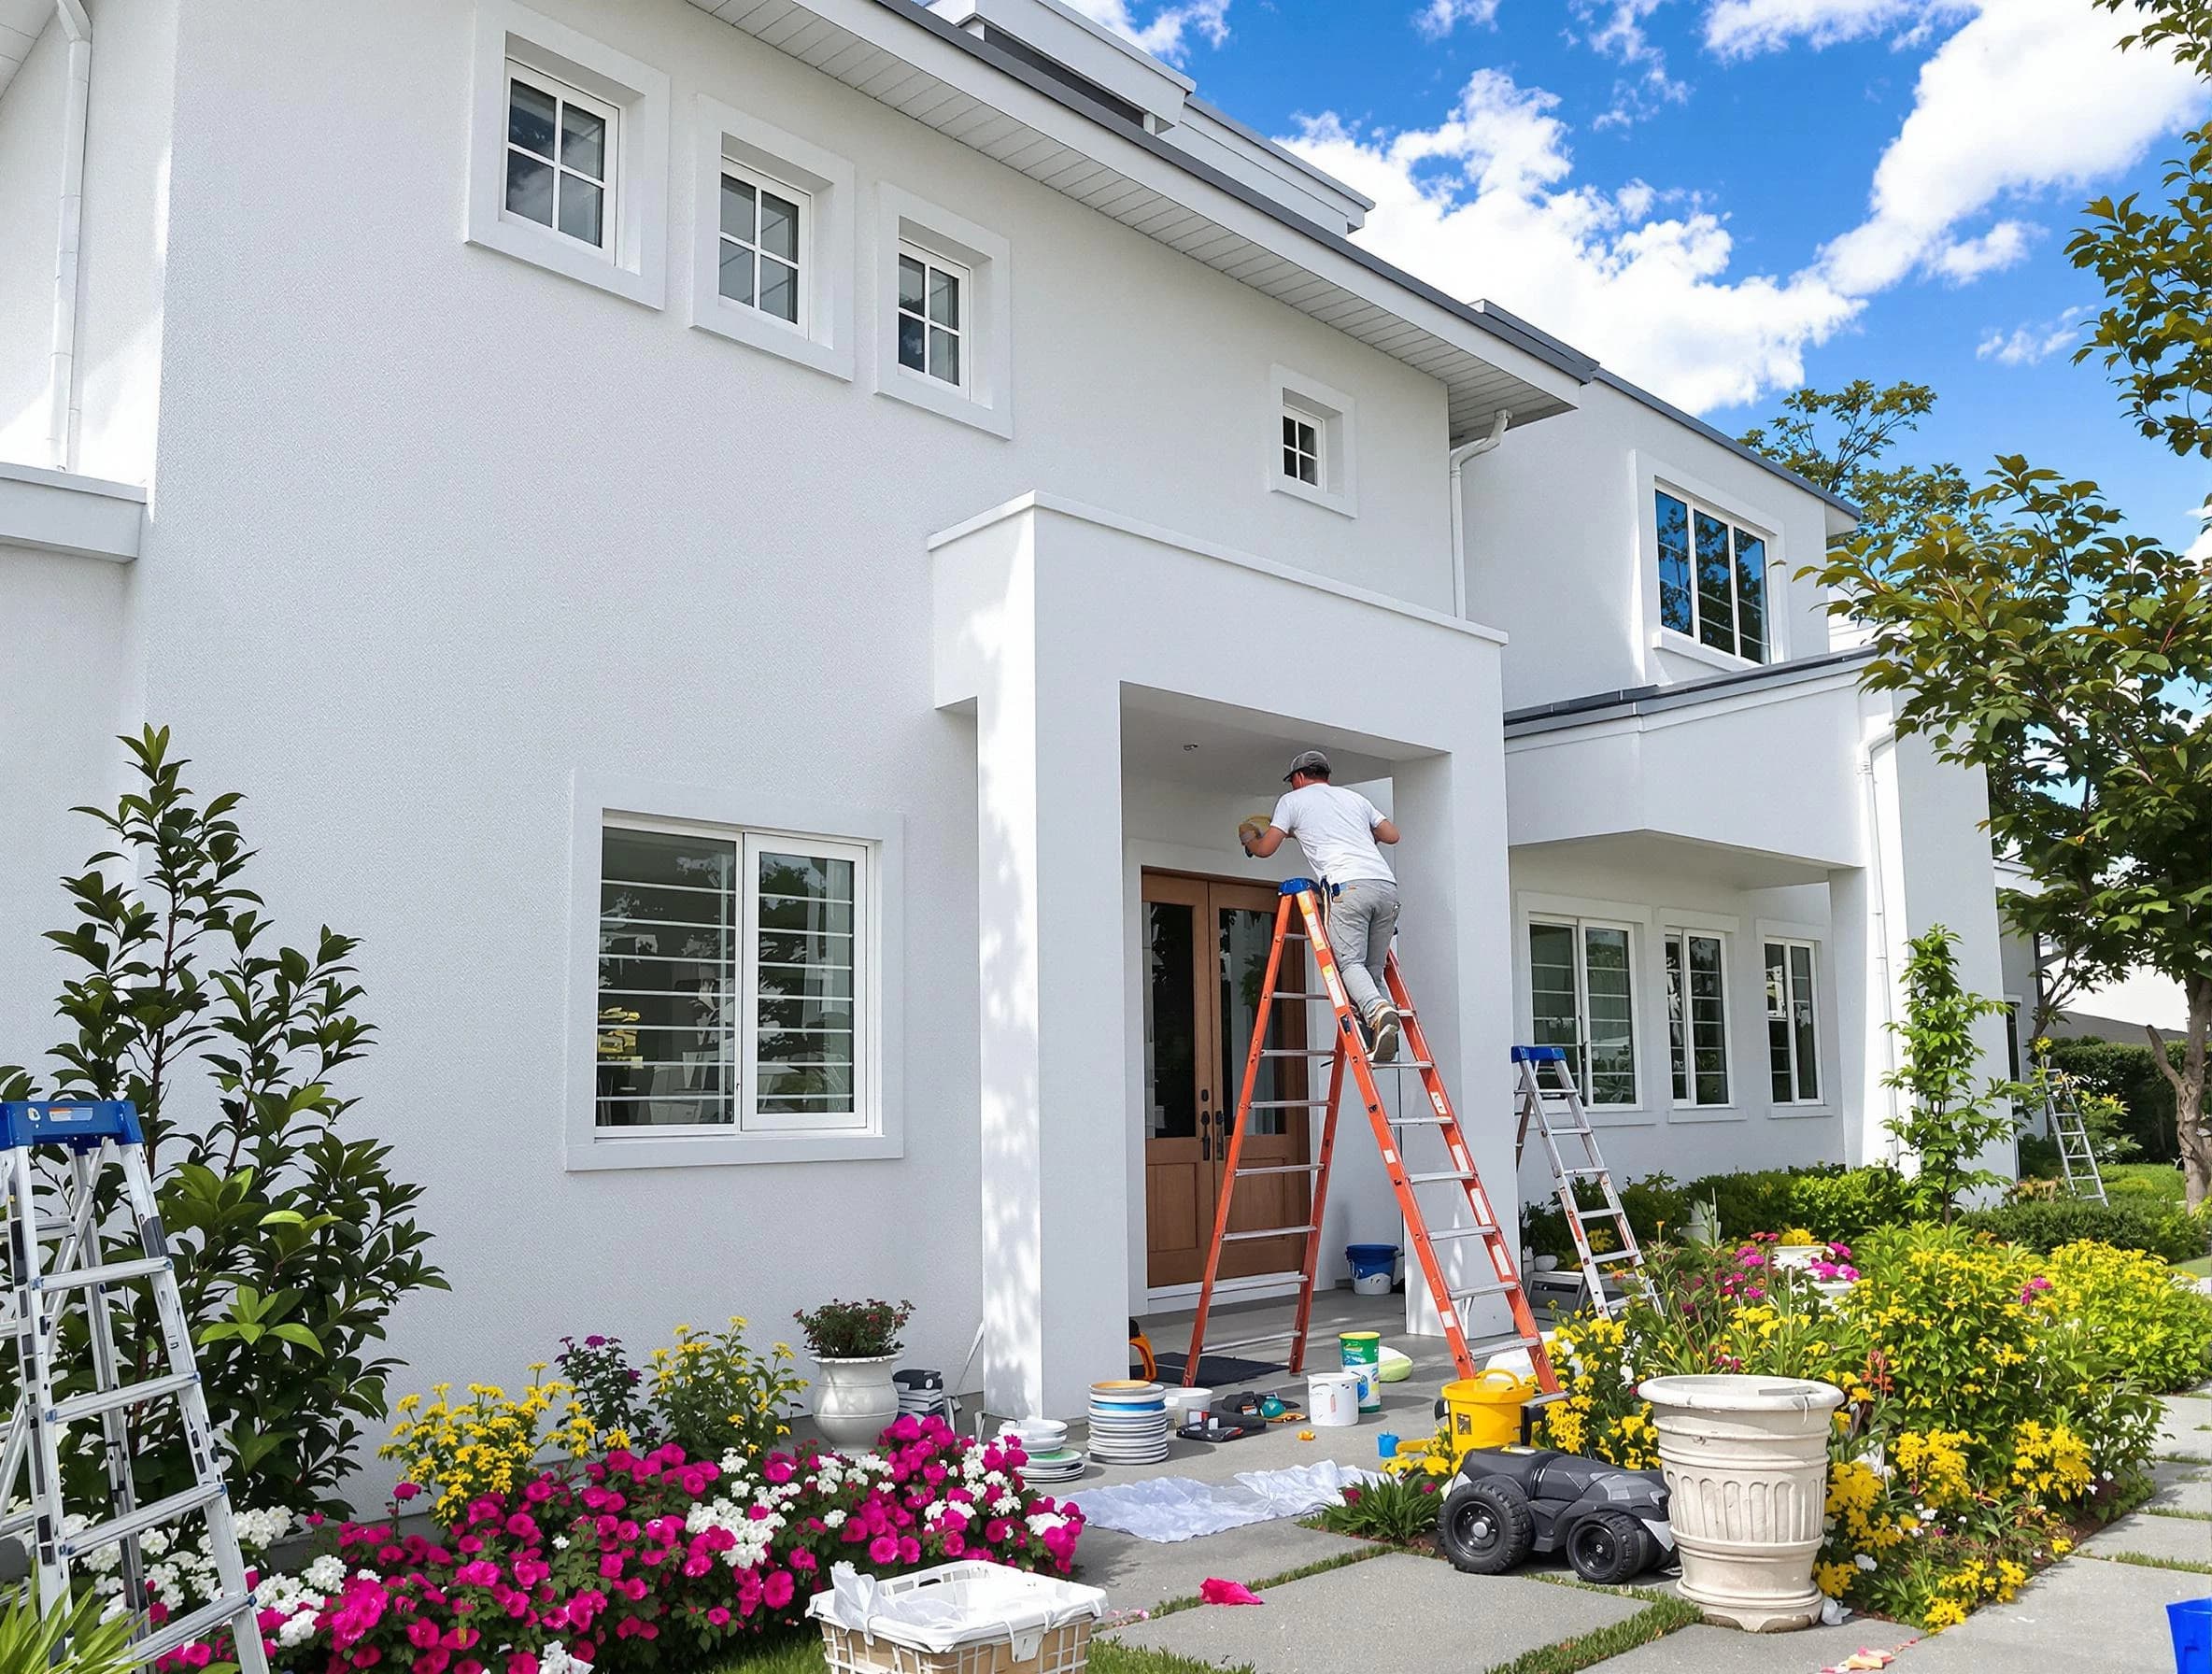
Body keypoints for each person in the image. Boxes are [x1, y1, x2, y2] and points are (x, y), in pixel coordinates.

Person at [1238, 749, 1403, 1061]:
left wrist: (1249, 838)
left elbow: (1266, 848)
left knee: (1349, 965)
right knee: (1371, 972)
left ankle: (1378, 1011)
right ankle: (1383, 1034)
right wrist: (1360, 836)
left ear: (1299, 778)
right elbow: (1392, 835)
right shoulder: (1354, 799)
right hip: (1385, 887)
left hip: (1348, 888)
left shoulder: (1292, 801)